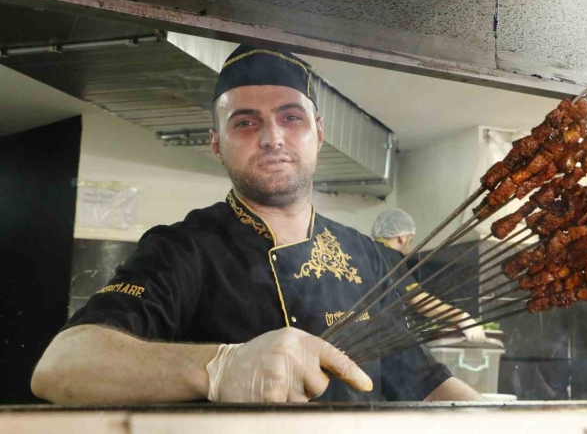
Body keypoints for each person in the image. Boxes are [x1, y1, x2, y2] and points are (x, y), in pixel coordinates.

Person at [31, 45, 483, 404]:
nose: (272, 137)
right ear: (215, 144)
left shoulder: (364, 254)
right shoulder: (183, 250)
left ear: (318, 134)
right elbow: (60, 367)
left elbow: (424, 382)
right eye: (245, 122)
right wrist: (219, 367)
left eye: (291, 117)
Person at [371, 209, 487, 343]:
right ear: (401, 238)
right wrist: (461, 318)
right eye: (411, 241)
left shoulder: (370, 251)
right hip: (377, 338)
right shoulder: (390, 255)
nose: (409, 250)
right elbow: (418, 300)